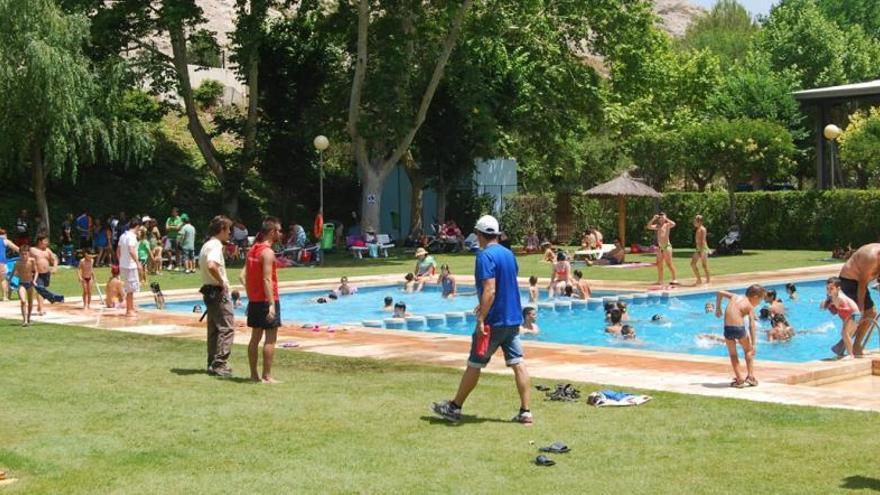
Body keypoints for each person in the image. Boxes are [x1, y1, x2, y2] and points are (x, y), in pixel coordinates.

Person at [432, 215, 532, 424]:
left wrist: (482, 317)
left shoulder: (484, 256)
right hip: (512, 318)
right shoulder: (509, 254)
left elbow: (490, 288)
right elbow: (506, 284)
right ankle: (525, 411)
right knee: (518, 363)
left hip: (493, 321)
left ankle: (455, 407)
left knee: (475, 364)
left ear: (479, 235)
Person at [240, 217, 283, 384]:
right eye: (278, 230)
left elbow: (242, 276)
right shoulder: (267, 252)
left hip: (255, 300)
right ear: (272, 232)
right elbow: (267, 280)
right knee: (270, 339)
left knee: (254, 338)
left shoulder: (252, 251)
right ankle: (267, 376)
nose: (280, 233)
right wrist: (272, 304)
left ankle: (253, 375)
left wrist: (251, 294)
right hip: (267, 299)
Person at [199, 215, 235, 377]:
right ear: (221, 230)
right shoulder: (215, 246)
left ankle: (212, 362)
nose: (230, 233)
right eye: (228, 230)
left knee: (214, 329)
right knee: (226, 328)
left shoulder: (206, 245)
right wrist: (222, 282)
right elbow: (212, 265)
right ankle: (220, 364)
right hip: (217, 292)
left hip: (208, 291)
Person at [715, 284, 765, 388]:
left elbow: (719, 292)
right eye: (760, 300)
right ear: (755, 297)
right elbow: (752, 325)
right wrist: (754, 344)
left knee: (733, 354)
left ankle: (739, 380)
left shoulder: (735, 296)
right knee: (748, 350)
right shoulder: (749, 306)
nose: (759, 303)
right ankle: (750, 376)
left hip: (728, 329)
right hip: (739, 329)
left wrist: (718, 308)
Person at [835, 243, 880, 357]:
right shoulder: (871, 257)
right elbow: (862, 284)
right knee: (866, 313)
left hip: (856, 283)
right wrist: (861, 308)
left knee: (869, 313)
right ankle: (855, 347)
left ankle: (841, 345)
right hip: (849, 281)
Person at [821, 277, 861, 359]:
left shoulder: (840, 297)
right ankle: (845, 352)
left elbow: (847, 310)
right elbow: (835, 310)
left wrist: (829, 305)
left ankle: (851, 355)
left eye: (831, 288)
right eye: (827, 288)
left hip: (853, 314)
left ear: (838, 289)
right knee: (846, 335)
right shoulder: (833, 296)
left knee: (845, 333)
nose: (829, 290)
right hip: (852, 315)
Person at [117, 217, 143, 317]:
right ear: (137, 226)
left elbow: (118, 251)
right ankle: (129, 310)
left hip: (123, 264)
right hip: (130, 265)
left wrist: (121, 261)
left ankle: (131, 308)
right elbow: (131, 250)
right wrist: (138, 263)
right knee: (131, 289)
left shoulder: (123, 236)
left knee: (129, 288)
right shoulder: (132, 237)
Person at [30, 236, 62, 314]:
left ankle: (39, 306)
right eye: (45, 241)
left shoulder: (48, 250)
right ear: (40, 242)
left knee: (43, 289)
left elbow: (54, 259)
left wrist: (55, 267)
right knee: (40, 289)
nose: (47, 243)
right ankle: (41, 309)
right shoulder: (33, 250)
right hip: (37, 273)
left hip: (46, 273)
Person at [647, 212, 678, 287]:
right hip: (660, 248)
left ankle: (674, 279)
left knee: (669, 263)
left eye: (662, 217)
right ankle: (660, 280)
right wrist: (653, 219)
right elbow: (649, 226)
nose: (661, 219)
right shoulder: (658, 226)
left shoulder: (667, 225)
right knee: (659, 264)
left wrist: (666, 218)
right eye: (660, 217)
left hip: (667, 247)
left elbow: (674, 224)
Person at [13, 248, 36, 326]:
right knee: (23, 301)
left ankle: (28, 318)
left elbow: (36, 271)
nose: (24, 256)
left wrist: (34, 280)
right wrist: (9, 281)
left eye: (25, 254)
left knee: (30, 303)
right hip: (21, 284)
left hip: (30, 283)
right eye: (22, 254)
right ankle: (25, 320)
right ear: (19, 254)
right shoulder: (18, 263)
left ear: (28, 254)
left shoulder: (31, 261)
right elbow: (13, 272)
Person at [0, 228, 20, 301]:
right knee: (3, 280)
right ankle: (5, 297)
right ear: (4, 235)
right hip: (1, 262)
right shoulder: (5, 240)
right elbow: (17, 249)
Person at [690, 215, 710, 285]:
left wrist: (704, 250)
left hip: (702, 249)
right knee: (692, 264)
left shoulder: (703, 229)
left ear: (700, 222)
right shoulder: (698, 229)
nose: (694, 222)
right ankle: (699, 280)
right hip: (698, 249)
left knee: (704, 265)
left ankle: (708, 281)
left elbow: (703, 240)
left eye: (695, 221)